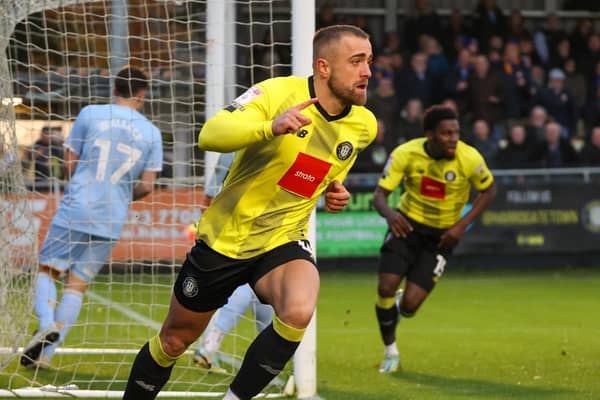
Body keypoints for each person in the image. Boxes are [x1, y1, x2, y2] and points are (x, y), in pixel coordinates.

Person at [122, 24, 376, 400]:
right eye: (356, 62)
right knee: (175, 341)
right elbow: (211, 133)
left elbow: (321, 171)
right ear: (324, 67)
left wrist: (333, 190)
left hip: (282, 239)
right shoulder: (277, 92)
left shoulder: (363, 125)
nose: (367, 72)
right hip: (226, 240)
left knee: (299, 309)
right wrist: (270, 127)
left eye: (369, 62)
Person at [20, 66, 163, 369]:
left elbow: (70, 164)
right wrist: (123, 194)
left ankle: (46, 323)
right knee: (77, 285)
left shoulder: (90, 114)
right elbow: (148, 185)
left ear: (114, 89)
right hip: (113, 217)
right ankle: (45, 356)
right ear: (142, 94)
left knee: (47, 270)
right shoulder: (152, 132)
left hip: (79, 206)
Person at [372, 105, 496, 373]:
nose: (453, 138)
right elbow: (379, 196)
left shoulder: (469, 158)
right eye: (446, 133)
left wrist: (462, 226)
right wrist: (391, 215)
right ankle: (390, 352)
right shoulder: (405, 153)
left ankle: (399, 306)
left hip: (442, 237)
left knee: (409, 308)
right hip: (406, 226)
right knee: (385, 287)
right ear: (430, 134)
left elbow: (489, 190)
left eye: (456, 133)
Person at [191, 152, 273, 374]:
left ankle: (271, 353)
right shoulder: (274, 139)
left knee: (263, 287)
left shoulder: (236, 137)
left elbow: (210, 191)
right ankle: (211, 345)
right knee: (252, 281)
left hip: (225, 224)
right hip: (255, 220)